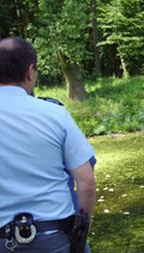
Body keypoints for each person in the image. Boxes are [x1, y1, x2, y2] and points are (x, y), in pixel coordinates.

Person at [0, 37, 96, 252]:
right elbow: (87, 181)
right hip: (53, 237)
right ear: (30, 70)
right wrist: (81, 233)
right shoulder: (55, 114)